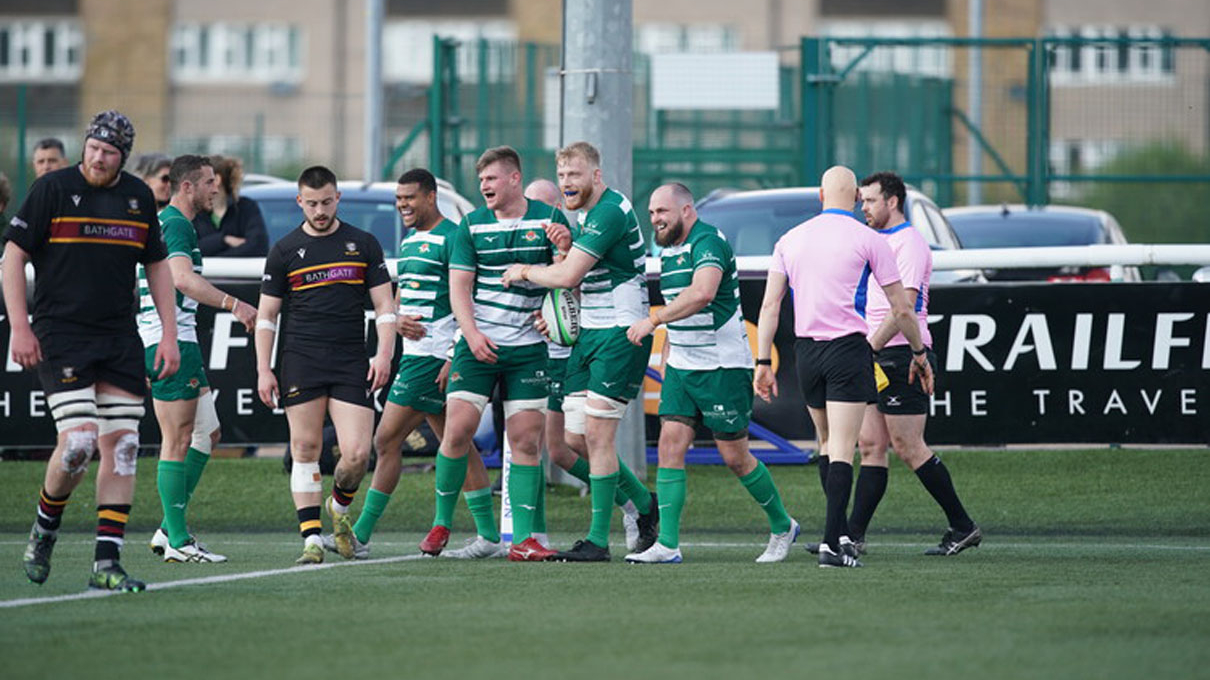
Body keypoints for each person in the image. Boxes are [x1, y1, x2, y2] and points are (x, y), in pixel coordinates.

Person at [4, 110, 181, 592]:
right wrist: (21, 326)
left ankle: (107, 563)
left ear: (123, 157)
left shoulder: (137, 196)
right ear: (84, 144)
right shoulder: (52, 190)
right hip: (62, 333)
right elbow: (13, 257)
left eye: (109, 153)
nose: (98, 158)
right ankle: (45, 529)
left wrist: (168, 334)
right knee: (79, 442)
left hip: (119, 337)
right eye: (93, 148)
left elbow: (159, 265)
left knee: (122, 448)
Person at [754, 165, 933, 568]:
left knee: (826, 443)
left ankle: (835, 538)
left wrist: (763, 360)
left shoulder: (790, 239)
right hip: (848, 350)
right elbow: (902, 308)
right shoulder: (869, 239)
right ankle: (836, 543)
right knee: (843, 449)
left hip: (806, 353)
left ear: (820, 195)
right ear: (854, 198)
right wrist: (920, 353)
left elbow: (769, 306)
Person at [325, 168, 503, 560]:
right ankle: (488, 534)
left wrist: (456, 352)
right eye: (399, 199)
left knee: (386, 440)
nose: (402, 205)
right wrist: (399, 316)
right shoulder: (410, 240)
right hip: (416, 357)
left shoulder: (454, 237)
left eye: (409, 198)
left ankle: (362, 535)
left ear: (430, 197)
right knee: (457, 444)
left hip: (434, 358)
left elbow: (468, 296)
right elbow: (405, 291)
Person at [622, 183, 799, 563]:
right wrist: (669, 348)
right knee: (670, 446)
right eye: (651, 212)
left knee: (735, 457)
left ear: (687, 210)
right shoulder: (667, 250)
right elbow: (678, 305)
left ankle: (783, 525)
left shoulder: (709, 241)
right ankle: (667, 545)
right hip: (684, 366)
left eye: (662, 212)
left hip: (722, 365)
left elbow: (702, 293)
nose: (655, 219)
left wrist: (652, 321)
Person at [501, 141, 658, 562]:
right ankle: (644, 505)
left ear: (596, 176)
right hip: (589, 335)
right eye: (563, 175)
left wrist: (524, 272)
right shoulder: (586, 216)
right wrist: (566, 247)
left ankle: (598, 540)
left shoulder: (608, 210)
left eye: (575, 174)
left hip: (620, 335)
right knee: (570, 440)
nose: (567, 182)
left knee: (596, 435)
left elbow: (569, 275)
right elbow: (576, 280)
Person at [433, 146, 569, 562]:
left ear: (514, 178)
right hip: (479, 345)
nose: (484, 187)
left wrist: (563, 250)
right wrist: (470, 334)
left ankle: (523, 541)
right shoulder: (471, 225)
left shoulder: (551, 219)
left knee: (527, 442)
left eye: (491, 179)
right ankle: (441, 522)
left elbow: (568, 279)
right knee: (456, 431)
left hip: (529, 350)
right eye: (481, 181)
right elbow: (459, 287)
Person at [255, 165, 396, 564]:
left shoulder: (363, 243)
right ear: (300, 202)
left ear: (338, 199)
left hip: (351, 358)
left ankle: (339, 508)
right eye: (312, 203)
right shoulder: (284, 250)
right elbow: (267, 316)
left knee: (355, 455)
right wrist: (264, 368)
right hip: (301, 358)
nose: (320, 210)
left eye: (326, 202)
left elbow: (385, 306)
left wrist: (383, 353)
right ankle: (312, 539)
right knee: (306, 447)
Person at [840, 171, 980, 555]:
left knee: (909, 447)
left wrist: (868, 348)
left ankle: (963, 526)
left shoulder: (910, 244)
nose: (863, 208)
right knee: (870, 446)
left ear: (892, 201)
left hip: (901, 355)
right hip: (876, 353)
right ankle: (852, 537)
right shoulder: (879, 241)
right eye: (861, 200)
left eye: (869, 200)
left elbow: (904, 310)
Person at [138, 154, 257, 563]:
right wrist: (235, 304)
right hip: (168, 340)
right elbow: (182, 279)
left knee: (209, 434)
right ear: (186, 186)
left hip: (179, 339)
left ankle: (168, 529)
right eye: (208, 182)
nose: (215, 188)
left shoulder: (178, 224)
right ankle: (179, 540)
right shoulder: (173, 224)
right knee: (177, 440)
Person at [522, 178, 645, 550]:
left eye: (544, 206)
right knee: (563, 446)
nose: (538, 216)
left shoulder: (581, 230)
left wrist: (557, 313)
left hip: (583, 345)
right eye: (532, 206)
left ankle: (625, 518)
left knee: (588, 439)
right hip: (557, 350)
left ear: (556, 205)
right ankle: (636, 504)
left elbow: (573, 288)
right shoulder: (524, 236)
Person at [194, 155, 268, 257]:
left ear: (216, 180)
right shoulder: (195, 212)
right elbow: (188, 250)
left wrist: (213, 258)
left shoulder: (246, 208)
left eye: (199, 180)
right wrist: (223, 240)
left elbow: (258, 247)